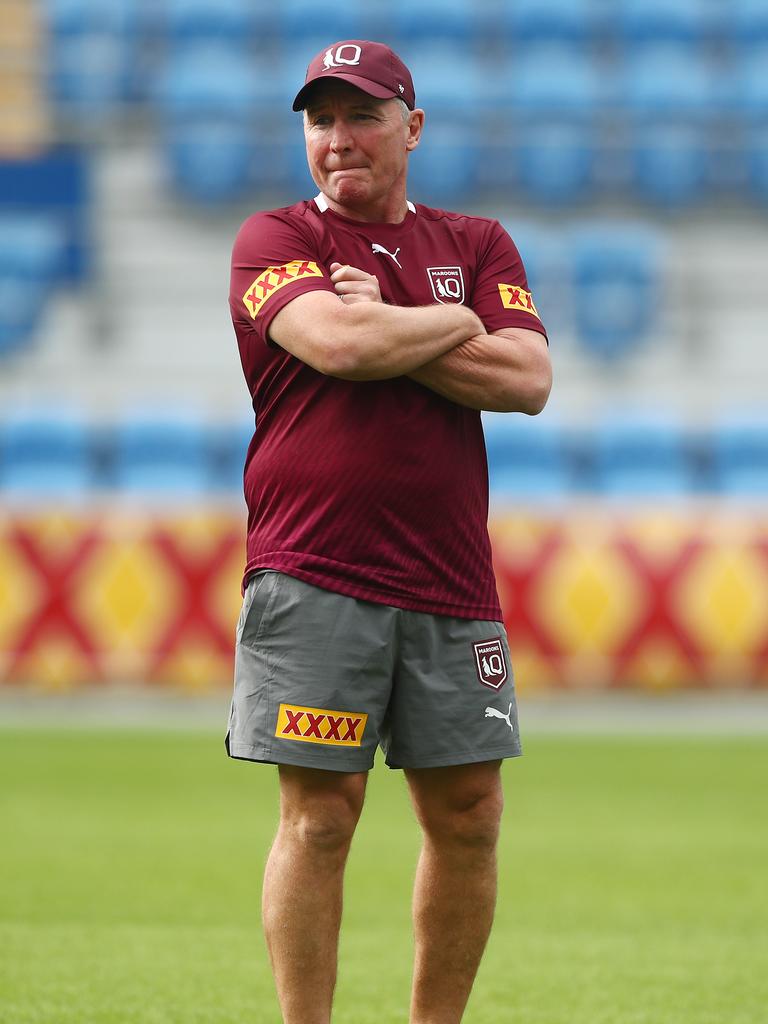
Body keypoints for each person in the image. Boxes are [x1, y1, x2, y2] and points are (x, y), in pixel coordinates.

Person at [225, 39, 552, 1024]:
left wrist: (401, 318)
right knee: (319, 821)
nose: (338, 139)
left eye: (361, 116)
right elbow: (339, 343)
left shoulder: (480, 240)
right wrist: (454, 325)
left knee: (471, 821)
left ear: (412, 128)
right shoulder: (272, 236)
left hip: (454, 585)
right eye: (320, 121)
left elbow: (530, 380)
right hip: (314, 575)